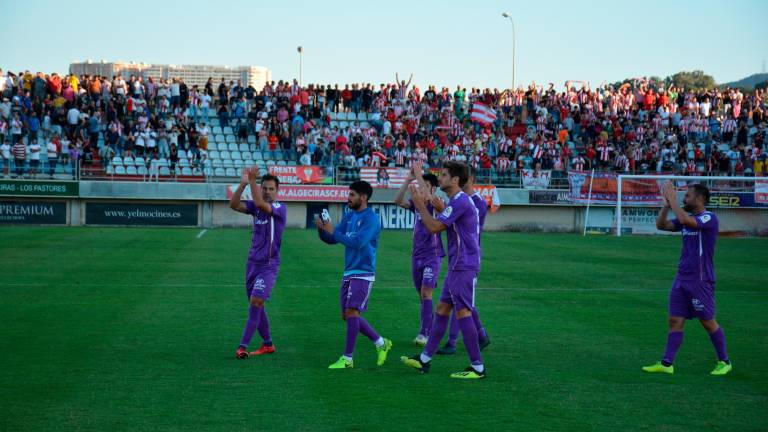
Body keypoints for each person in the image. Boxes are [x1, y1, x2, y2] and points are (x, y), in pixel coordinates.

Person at [401, 161, 486, 379]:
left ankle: (477, 367)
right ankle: (425, 360)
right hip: (457, 264)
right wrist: (420, 182)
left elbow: (434, 227)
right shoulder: (455, 201)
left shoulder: (460, 202)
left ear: (456, 180)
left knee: (463, 312)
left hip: (464, 265)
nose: (441, 178)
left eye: (445, 175)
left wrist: (420, 205)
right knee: (442, 309)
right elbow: (436, 206)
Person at [643, 182, 731, 375]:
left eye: (688, 196)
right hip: (682, 279)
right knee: (675, 320)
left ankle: (724, 361)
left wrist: (673, 200)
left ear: (699, 199)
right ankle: (667, 364)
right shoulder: (686, 219)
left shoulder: (709, 218)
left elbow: (687, 221)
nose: (684, 199)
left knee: (707, 321)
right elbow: (661, 225)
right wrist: (666, 205)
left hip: (700, 280)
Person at [316, 180, 392, 369]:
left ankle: (347, 358)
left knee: (352, 312)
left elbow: (359, 242)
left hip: (364, 272)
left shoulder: (371, 219)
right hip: (349, 270)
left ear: (363, 197)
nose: (348, 198)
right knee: (348, 315)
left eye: (352, 195)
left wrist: (335, 232)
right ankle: (381, 343)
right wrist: (322, 230)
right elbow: (334, 238)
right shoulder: (349, 215)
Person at [229, 167, 287, 359]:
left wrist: (253, 181)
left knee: (256, 301)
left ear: (277, 191)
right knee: (256, 305)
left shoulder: (279, 209)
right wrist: (244, 183)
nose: (268, 191)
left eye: (271, 189)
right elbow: (233, 205)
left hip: (268, 266)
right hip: (252, 264)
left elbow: (261, 204)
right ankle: (268, 344)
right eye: (265, 188)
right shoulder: (256, 208)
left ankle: (242, 346)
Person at [435, 165, 491, 354]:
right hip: (460, 256)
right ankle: (480, 336)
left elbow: (465, 228)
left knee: (463, 305)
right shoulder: (459, 199)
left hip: (467, 257)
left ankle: (454, 344)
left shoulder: (474, 202)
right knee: (459, 303)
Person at [394, 162, 444, 346]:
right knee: (422, 296)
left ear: (433, 189)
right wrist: (408, 180)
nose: (422, 191)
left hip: (433, 255)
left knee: (426, 292)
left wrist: (419, 175)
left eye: (426, 187)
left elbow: (429, 197)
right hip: (417, 256)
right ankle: (429, 329)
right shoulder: (417, 206)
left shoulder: (437, 204)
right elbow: (397, 201)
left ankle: (424, 333)